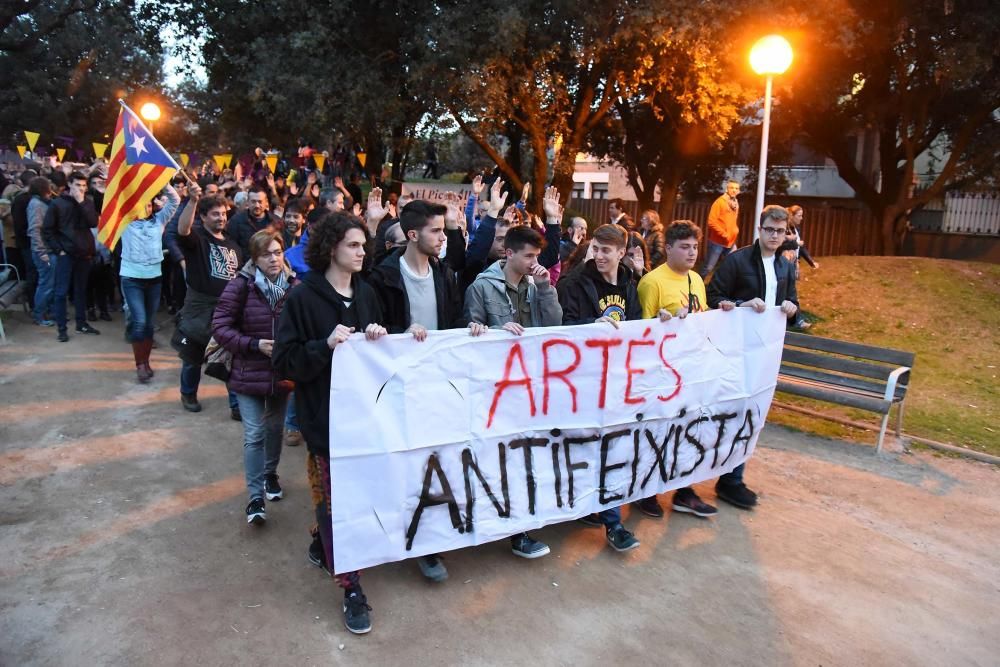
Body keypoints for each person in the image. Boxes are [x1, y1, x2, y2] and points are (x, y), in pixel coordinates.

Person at [272, 211, 388, 635]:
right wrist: (324, 345)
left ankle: (322, 544)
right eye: (353, 245)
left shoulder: (368, 293)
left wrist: (380, 335)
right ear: (331, 247)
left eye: (363, 246)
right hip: (325, 424)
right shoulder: (302, 299)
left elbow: (385, 353)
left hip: (366, 419)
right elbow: (284, 361)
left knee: (361, 495)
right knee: (340, 505)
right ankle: (352, 588)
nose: (362, 252)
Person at [368, 198, 465, 582]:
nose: (443, 237)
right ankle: (391, 533)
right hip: (396, 388)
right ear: (413, 235)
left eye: (443, 230)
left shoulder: (445, 274)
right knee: (400, 463)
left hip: (437, 385)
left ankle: (428, 543)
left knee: (435, 462)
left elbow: (455, 316)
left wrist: (469, 327)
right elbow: (371, 330)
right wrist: (398, 336)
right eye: (436, 231)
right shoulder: (383, 277)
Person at [463, 222, 562, 560]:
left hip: (527, 388)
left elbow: (554, 328)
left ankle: (518, 530)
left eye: (538, 256)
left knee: (522, 458)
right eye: (530, 256)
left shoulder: (537, 286)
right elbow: (468, 334)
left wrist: (547, 288)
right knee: (491, 458)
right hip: (493, 389)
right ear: (509, 253)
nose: (536, 262)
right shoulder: (482, 286)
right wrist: (493, 331)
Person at [556, 224, 645, 552]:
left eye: (607, 250)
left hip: (617, 379)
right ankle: (592, 511)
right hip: (581, 380)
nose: (599, 255)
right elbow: (561, 328)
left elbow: (635, 323)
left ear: (622, 252)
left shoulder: (629, 283)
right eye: (595, 248)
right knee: (584, 447)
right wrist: (589, 328)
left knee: (612, 448)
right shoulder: (574, 282)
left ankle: (613, 523)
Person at [707, 205, 799, 510]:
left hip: (766, 356)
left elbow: (795, 304)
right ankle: (710, 478)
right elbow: (713, 297)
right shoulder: (737, 260)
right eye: (769, 230)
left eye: (780, 231)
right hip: (735, 352)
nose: (774, 236)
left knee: (753, 415)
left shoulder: (785, 266)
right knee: (730, 415)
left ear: (786, 232)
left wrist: (791, 308)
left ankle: (732, 480)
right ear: (759, 229)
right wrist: (740, 303)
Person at [212, 229, 297, 525]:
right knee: (254, 434)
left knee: (274, 430)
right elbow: (220, 327)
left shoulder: (294, 285)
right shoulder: (240, 286)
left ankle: (270, 474)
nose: (273, 259)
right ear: (254, 258)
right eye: (266, 254)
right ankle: (255, 497)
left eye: (277, 252)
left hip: (282, 374)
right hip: (247, 372)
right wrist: (253, 345)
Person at [635, 220, 719, 519]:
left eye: (695, 247)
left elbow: (702, 317)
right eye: (684, 247)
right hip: (661, 373)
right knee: (657, 433)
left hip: (692, 370)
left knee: (689, 432)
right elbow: (641, 329)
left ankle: (684, 491)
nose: (692, 252)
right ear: (668, 247)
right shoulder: (652, 282)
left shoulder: (697, 280)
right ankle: (646, 493)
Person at [174, 192, 245, 414]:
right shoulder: (197, 239)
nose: (221, 218)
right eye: (215, 214)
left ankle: (235, 405)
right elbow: (182, 230)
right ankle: (188, 394)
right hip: (199, 309)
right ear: (203, 217)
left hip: (228, 310)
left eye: (224, 214)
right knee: (193, 357)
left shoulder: (233, 244)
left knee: (230, 358)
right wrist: (193, 201)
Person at [119, 183, 183, 382]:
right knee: (139, 321)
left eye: (147, 204)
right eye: (140, 205)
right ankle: (140, 365)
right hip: (131, 278)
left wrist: (159, 181)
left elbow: (175, 200)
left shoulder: (159, 221)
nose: (145, 208)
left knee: (148, 324)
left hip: (154, 279)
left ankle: (146, 362)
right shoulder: (125, 222)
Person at [42, 171, 100, 341]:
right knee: (61, 292)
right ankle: (62, 328)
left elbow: (93, 222)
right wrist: (58, 249)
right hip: (65, 254)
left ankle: (81, 324)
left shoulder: (87, 202)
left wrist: (82, 202)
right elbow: (47, 230)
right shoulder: (58, 204)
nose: (80, 189)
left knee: (81, 290)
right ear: (69, 185)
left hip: (84, 253)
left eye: (83, 186)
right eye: (77, 185)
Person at [780, 205, 818, 330]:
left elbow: (801, 248)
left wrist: (811, 262)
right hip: (783, 264)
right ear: (791, 215)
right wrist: (794, 242)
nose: (802, 218)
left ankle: (793, 320)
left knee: (789, 294)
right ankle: (796, 320)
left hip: (792, 264)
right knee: (789, 294)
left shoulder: (795, 229)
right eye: (799, 215)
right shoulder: (783, 228)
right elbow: (780, 244)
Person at [26, 177, 55, 326]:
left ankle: (46, 311)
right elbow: (35, 230)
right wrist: (41, 251)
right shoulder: (36, 205)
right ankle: (39, 315)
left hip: (47, 249)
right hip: (43, 251)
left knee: (49, 283)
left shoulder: (40, 203)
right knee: (46, 283)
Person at [700, 180, 740, 277]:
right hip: (717, 242)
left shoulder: (735, 203)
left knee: (734, 266)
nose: (734, 190)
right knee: (708, 267)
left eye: (736, 188)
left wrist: (735, 230)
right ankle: (695, 285)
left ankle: (724, 288)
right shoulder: (720, 202)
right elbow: (711, 222)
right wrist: (724, 234)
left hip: (731, 242)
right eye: (731, 188)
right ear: (727, 189)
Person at [227, 186, 275, 257]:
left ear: (266, 202)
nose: (257, 205)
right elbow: (231, 248)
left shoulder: (275, 221)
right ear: (247, 202)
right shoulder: (236, 221)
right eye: (253, 201)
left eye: (260, 202)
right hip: (245, 265)